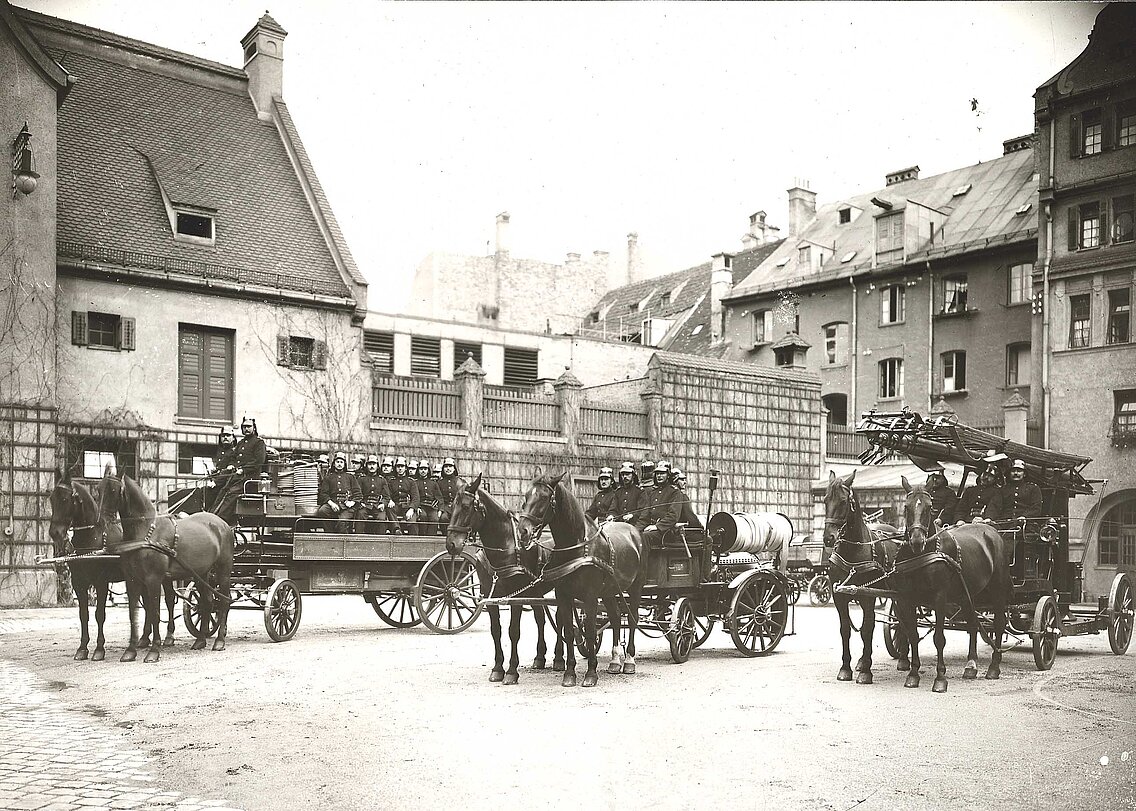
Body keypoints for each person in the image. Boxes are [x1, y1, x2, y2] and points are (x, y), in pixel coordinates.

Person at [214, 415, 267, 525]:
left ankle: (220, 520)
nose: (246, 429)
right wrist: (232, 465)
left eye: (249, 426)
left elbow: (258, 462)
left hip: (249, 479)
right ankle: (212, 515)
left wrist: (243, 470)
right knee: (223, 490)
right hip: (237, 477)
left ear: (254, 428)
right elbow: (234, 457)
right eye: (244, 427)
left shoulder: (258, 443)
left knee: (231, 493)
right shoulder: (241, 443)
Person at [635, 461, 682, 546]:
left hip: (667, 531)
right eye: (657, 474)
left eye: (662, 473)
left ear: (668, 475)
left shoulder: (674, 492)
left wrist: (657, 526)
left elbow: (673, 516)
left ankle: (643, 560)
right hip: (652, 529)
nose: (659, 476)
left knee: (645, 537)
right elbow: (645, 516)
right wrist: (635, 530)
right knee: (634, 536)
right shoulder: (653, 493)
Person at [315, 451, 362, 531]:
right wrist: (332, 504)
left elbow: (358, 494)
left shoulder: (350, 477)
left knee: (342, 521)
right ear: (334, 464)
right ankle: (330, 533)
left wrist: (352, 502)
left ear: (344, 464)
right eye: (337, 462)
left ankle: (343, 540)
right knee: (322, 511)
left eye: (341, 462)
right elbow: (324, 494)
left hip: (347, 506)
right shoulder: (328, 477)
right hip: (333, 503)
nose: (339, 464)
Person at [357, 454, 393, 534]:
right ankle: (358, 539)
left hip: (377, 505)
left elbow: (386, 496)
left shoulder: (382, 480)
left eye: (374, 464)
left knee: (381, 518)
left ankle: (380, 541)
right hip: (365, 505)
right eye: (370, 464)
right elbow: (357, 493)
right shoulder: (361, 479)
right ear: (366, 466)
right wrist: (361, 502)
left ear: (377, 466)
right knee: (360, 515)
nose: (372, 466)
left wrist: (383, 504)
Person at [388, 456, 420, 535]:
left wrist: (412, 508)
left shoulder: (411, 481)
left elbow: (416, 497)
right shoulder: (391, 481)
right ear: (395, 468)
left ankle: (413, 541)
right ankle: (397, 529)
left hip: (407, 506)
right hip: (396, 505)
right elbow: (387, 494)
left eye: (402, 466)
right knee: (389, 509)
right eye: (398, 466)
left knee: (412, 521)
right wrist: (390, 500)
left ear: (406, 468)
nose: (400, 468)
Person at [670, 467, 704, 532]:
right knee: (709, 539)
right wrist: (701, 527)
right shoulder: (682, 496)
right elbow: (690, 516)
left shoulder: (666, 494)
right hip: (680, 531)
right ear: (675, 481)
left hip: (669, 530)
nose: (685, 482)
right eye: (682, 480)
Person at [434, 457, 467, 523]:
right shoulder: (439, 483)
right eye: (446, 467)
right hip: (445, 507)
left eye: (450, 466)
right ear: (443, 469)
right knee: (443, 518)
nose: (448, 468)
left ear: (454, 469)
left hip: (458, 507)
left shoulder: (460, 481)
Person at [416, 459, 444, 533]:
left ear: (428, 471)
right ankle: (422, 537)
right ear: (418, 470)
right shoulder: (415, 482)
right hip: (421, 506)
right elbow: (414, 497)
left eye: (425, 469)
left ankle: (432, 538)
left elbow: (439, 497)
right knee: (423, 516)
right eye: (421, 469)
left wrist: (440, 510)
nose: (423, 471)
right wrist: (417, 507)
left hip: (431, 507)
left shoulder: (433, 483)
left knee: (435, 518)